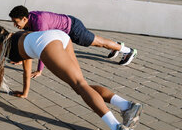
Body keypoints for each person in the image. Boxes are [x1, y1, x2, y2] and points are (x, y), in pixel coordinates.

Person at [0, 25, 142, 130]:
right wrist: (25, 92)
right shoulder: (16, 36)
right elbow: (27, 66)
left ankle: (116, 129)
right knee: (81, 84)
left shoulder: (1, 45)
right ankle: (127, 106)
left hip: (46, 43)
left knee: (80, 85)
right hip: (58, 36)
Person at [9, 6, 137, 78]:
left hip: (73, 28)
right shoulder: (30, 19)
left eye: (16, 22)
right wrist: (21, 59)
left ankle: (127, 51)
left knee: (98, 42)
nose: (15, 25)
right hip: (66, 28)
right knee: (98, 41)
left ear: (25, 18)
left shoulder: (39, 23)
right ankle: (115, 46)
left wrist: (39, 70)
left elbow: (42, 49)